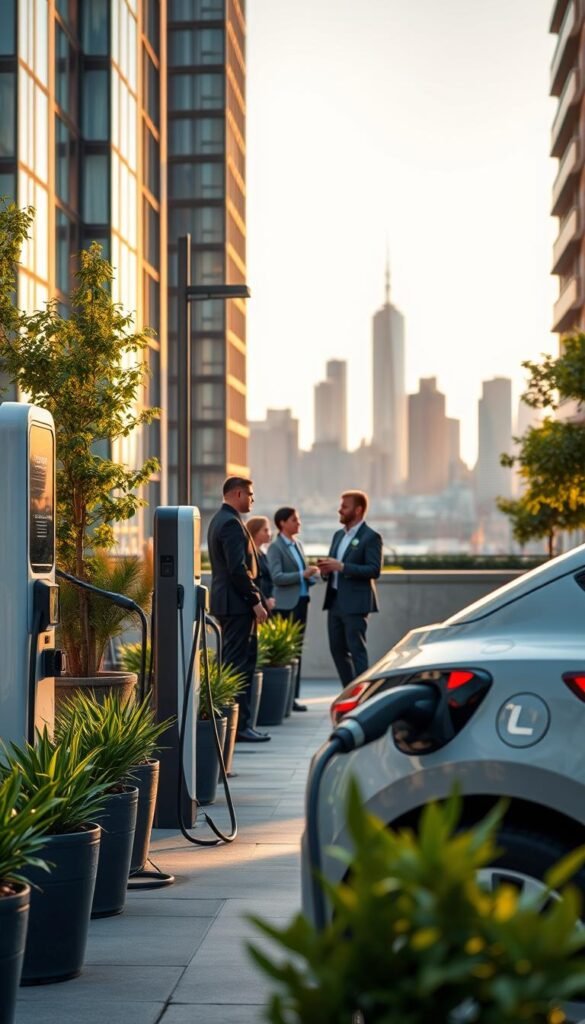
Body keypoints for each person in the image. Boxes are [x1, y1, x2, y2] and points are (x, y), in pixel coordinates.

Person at [207, 477, 270, 742]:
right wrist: (255, 600)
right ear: (238, 493)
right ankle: (240, 727)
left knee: (234, 662)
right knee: (240, 665)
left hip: (229, 603)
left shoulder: (219, 520)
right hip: (237, 605)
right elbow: (236, 568)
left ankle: (238, 725)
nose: (253, 500)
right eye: (251, 495)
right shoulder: (231, 523)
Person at [317, 490, 383, 687]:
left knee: (356, 650)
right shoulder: (338, 535)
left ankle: (363, 694)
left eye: (345, 507)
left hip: (356, 604)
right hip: (335, 601)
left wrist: (342, 567)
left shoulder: (371, 537)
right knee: (337, 650)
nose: (340, 510)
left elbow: (374, 570)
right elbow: (333, 565)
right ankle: (350, 691)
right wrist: (325, 570)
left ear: (358, 510)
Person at [267, 506, 319, 711]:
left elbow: (302, 576)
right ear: (282, 523)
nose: (299, 523)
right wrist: (302, 575)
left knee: (297, 650)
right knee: (286, 652)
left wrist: (313, 576)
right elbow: (277, 577)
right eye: (294, 520)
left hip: (301, 601)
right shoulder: (275, 547)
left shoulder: (298, 544)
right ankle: (286, 698)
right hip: (286, 605)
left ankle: (293, 697)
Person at [246, 515, 276, 611]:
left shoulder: (262, 554)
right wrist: (264, 600)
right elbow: (255, 581)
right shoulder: (249, 554)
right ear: (254, 532)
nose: (269, 533)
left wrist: (270, 597)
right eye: (265, 530)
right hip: (258, 603)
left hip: (267, 602)